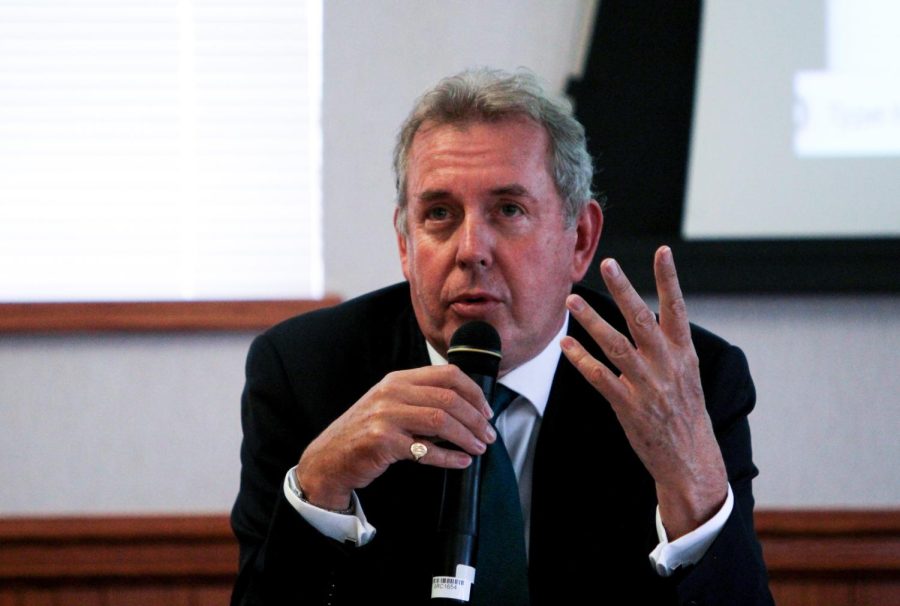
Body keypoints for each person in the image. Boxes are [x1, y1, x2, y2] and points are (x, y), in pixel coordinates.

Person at [230, 68, 773, 605]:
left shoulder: (682, 383)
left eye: (508, 210)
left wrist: (694, 493)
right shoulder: (303, 373)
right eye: (439, 214)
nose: (470, 249)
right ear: (405, 245)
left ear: (579, 240)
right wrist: (320, 486)